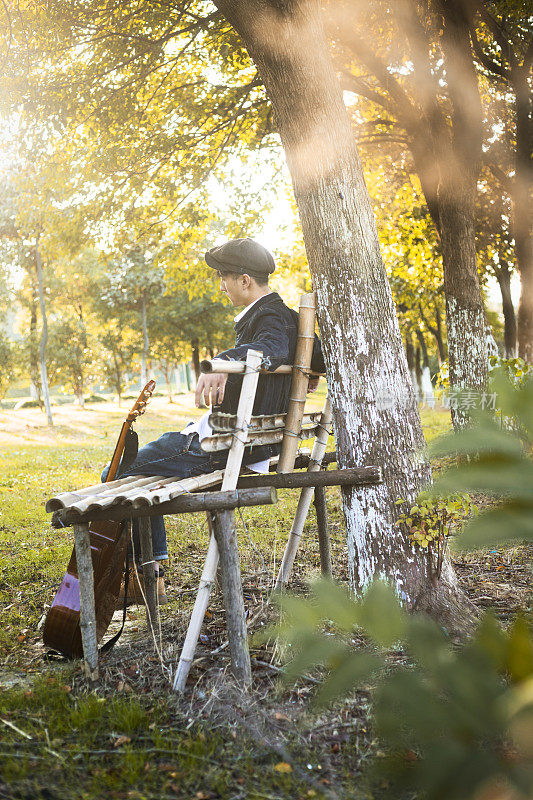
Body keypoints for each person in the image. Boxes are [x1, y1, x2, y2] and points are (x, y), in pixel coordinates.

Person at [109, 237, 325, 604]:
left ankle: (150, 575)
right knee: (140, 462)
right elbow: (315, 359)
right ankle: (149, 572)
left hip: (228, 446)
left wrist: (222, 364)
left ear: (245, 280)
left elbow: (271, 349)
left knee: (117, 472)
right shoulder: (288, 317)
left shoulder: (270, 318)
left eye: (224, 277)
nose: (220, 285)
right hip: (253, 439)